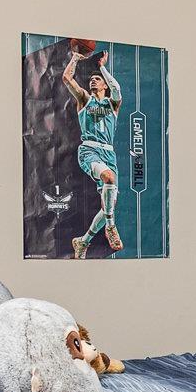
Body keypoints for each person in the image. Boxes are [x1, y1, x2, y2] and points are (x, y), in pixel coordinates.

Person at [62, 46, 123, 256]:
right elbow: (67, 79)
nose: (93, 81)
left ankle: (83, 241)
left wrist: (102, 69)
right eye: (92, 80)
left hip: (109, 153)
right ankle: (110, 226)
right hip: (89, 150)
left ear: (104, 85)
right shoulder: (84, 99)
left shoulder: (113, 104)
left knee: (109, 204)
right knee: (109, 178)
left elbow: (117, 89)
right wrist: (75, 59)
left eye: (97, 80)